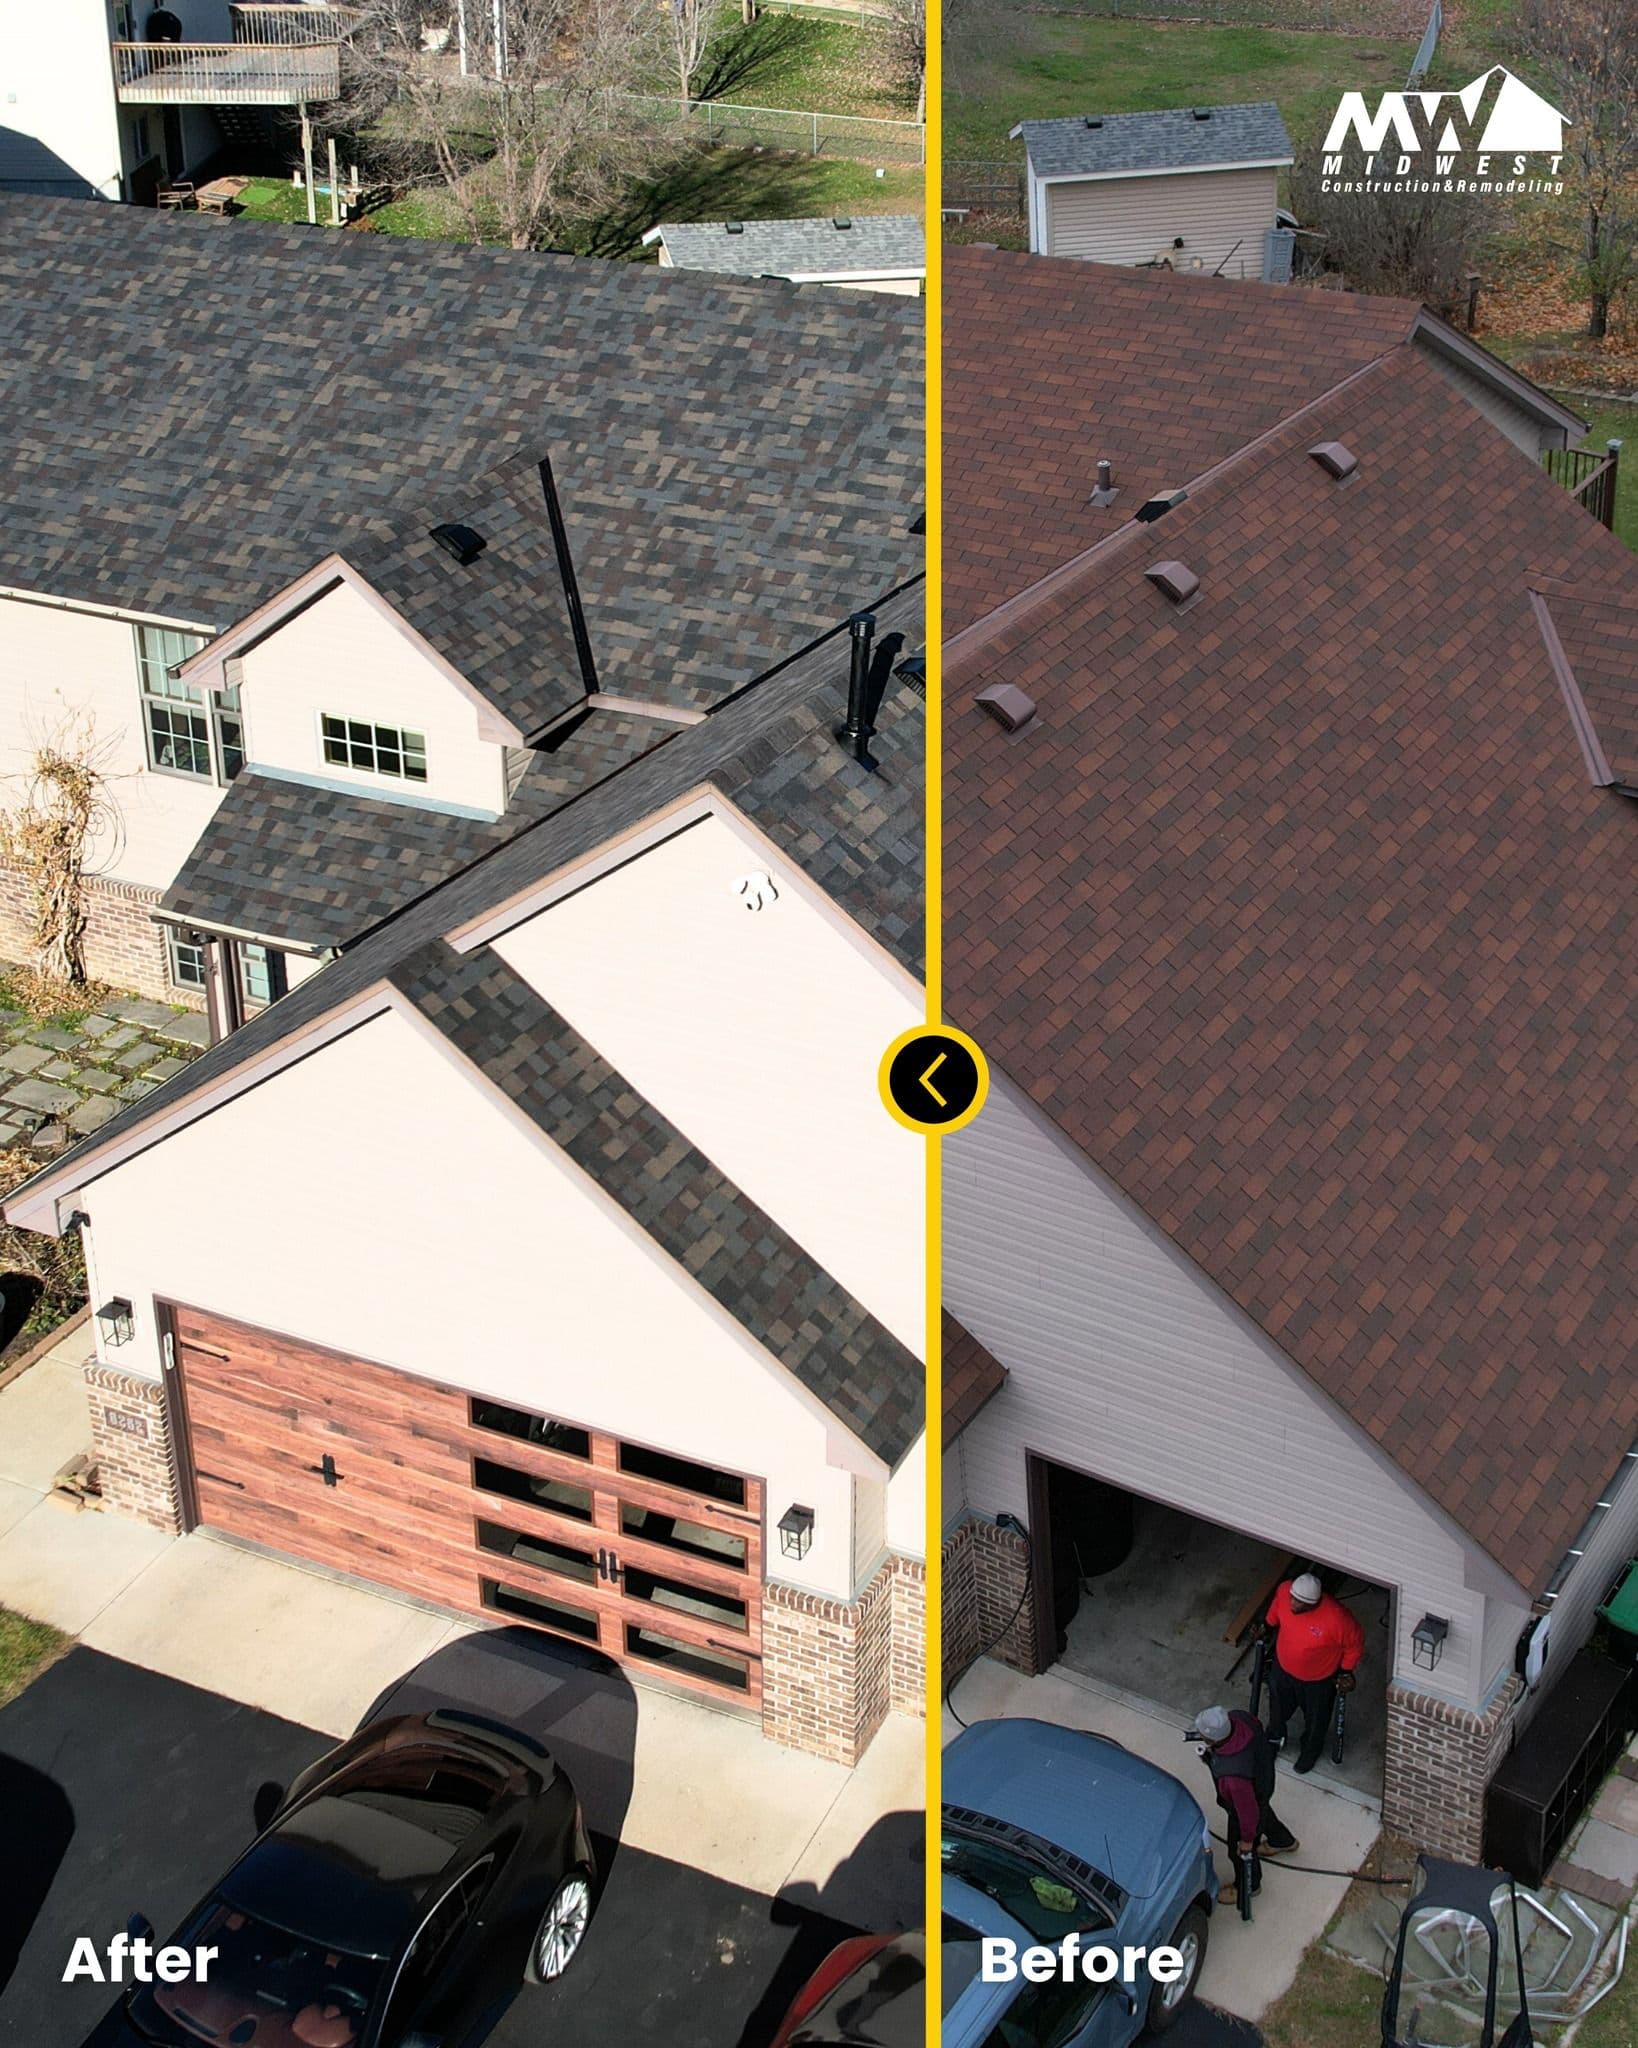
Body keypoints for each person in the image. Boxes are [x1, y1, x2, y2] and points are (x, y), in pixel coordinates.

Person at [1188, 1704, 1298, 1908]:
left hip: (1247, 1800)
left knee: (1238, 1850)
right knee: (1262, 1811)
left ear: (1213, 1740)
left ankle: (1249, 1886)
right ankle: (1282, 1840)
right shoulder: (1240, 1718)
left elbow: (1247, 1813)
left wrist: (1247, 1840)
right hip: (1263, 1780)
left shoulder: (1234, 1778)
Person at [1262, 1571, 1365, 1774]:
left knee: (1316, 1721)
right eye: (1292, 1597)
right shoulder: (1284, 1592)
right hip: (1283, 1670)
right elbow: (1276, 1610)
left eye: (1299, 1602)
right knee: (1277, 1710)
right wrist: (1266, 1625)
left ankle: (1309, 1751)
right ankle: (1273, 1739)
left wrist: (1345, 1672)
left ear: (1313, 1603)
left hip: (1319, 1681)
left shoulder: (1338, 1619)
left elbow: (1354, 1644)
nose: (1292, 1603)